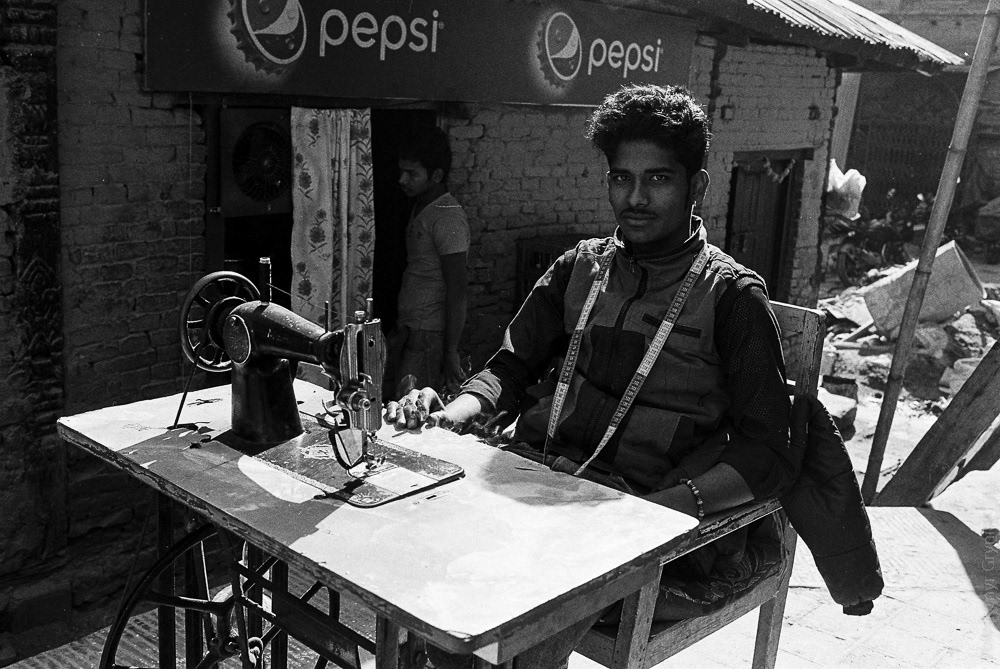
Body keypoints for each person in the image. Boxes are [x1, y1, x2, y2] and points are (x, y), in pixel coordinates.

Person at [385, 84, 880, 668]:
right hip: (541, 484)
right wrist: (453, 415)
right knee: (415, 572)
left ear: (696, 187)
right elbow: (509, 369)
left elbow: (768, 449)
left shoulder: (731, 298)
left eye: (658, 180)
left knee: (504, 633)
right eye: (622, 178)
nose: (635, 198)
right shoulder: (577, 269)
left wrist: (659, 513)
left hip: (652, 515)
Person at [388, 127, 470, 396]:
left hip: (428, 335)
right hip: (411, 329)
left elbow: (457, 290)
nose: (402, 179)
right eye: (401, 171)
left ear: (436, 175)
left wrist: (450, 351)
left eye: (411, 173)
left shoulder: (447, 216)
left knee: (412, 408)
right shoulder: (420, 205)